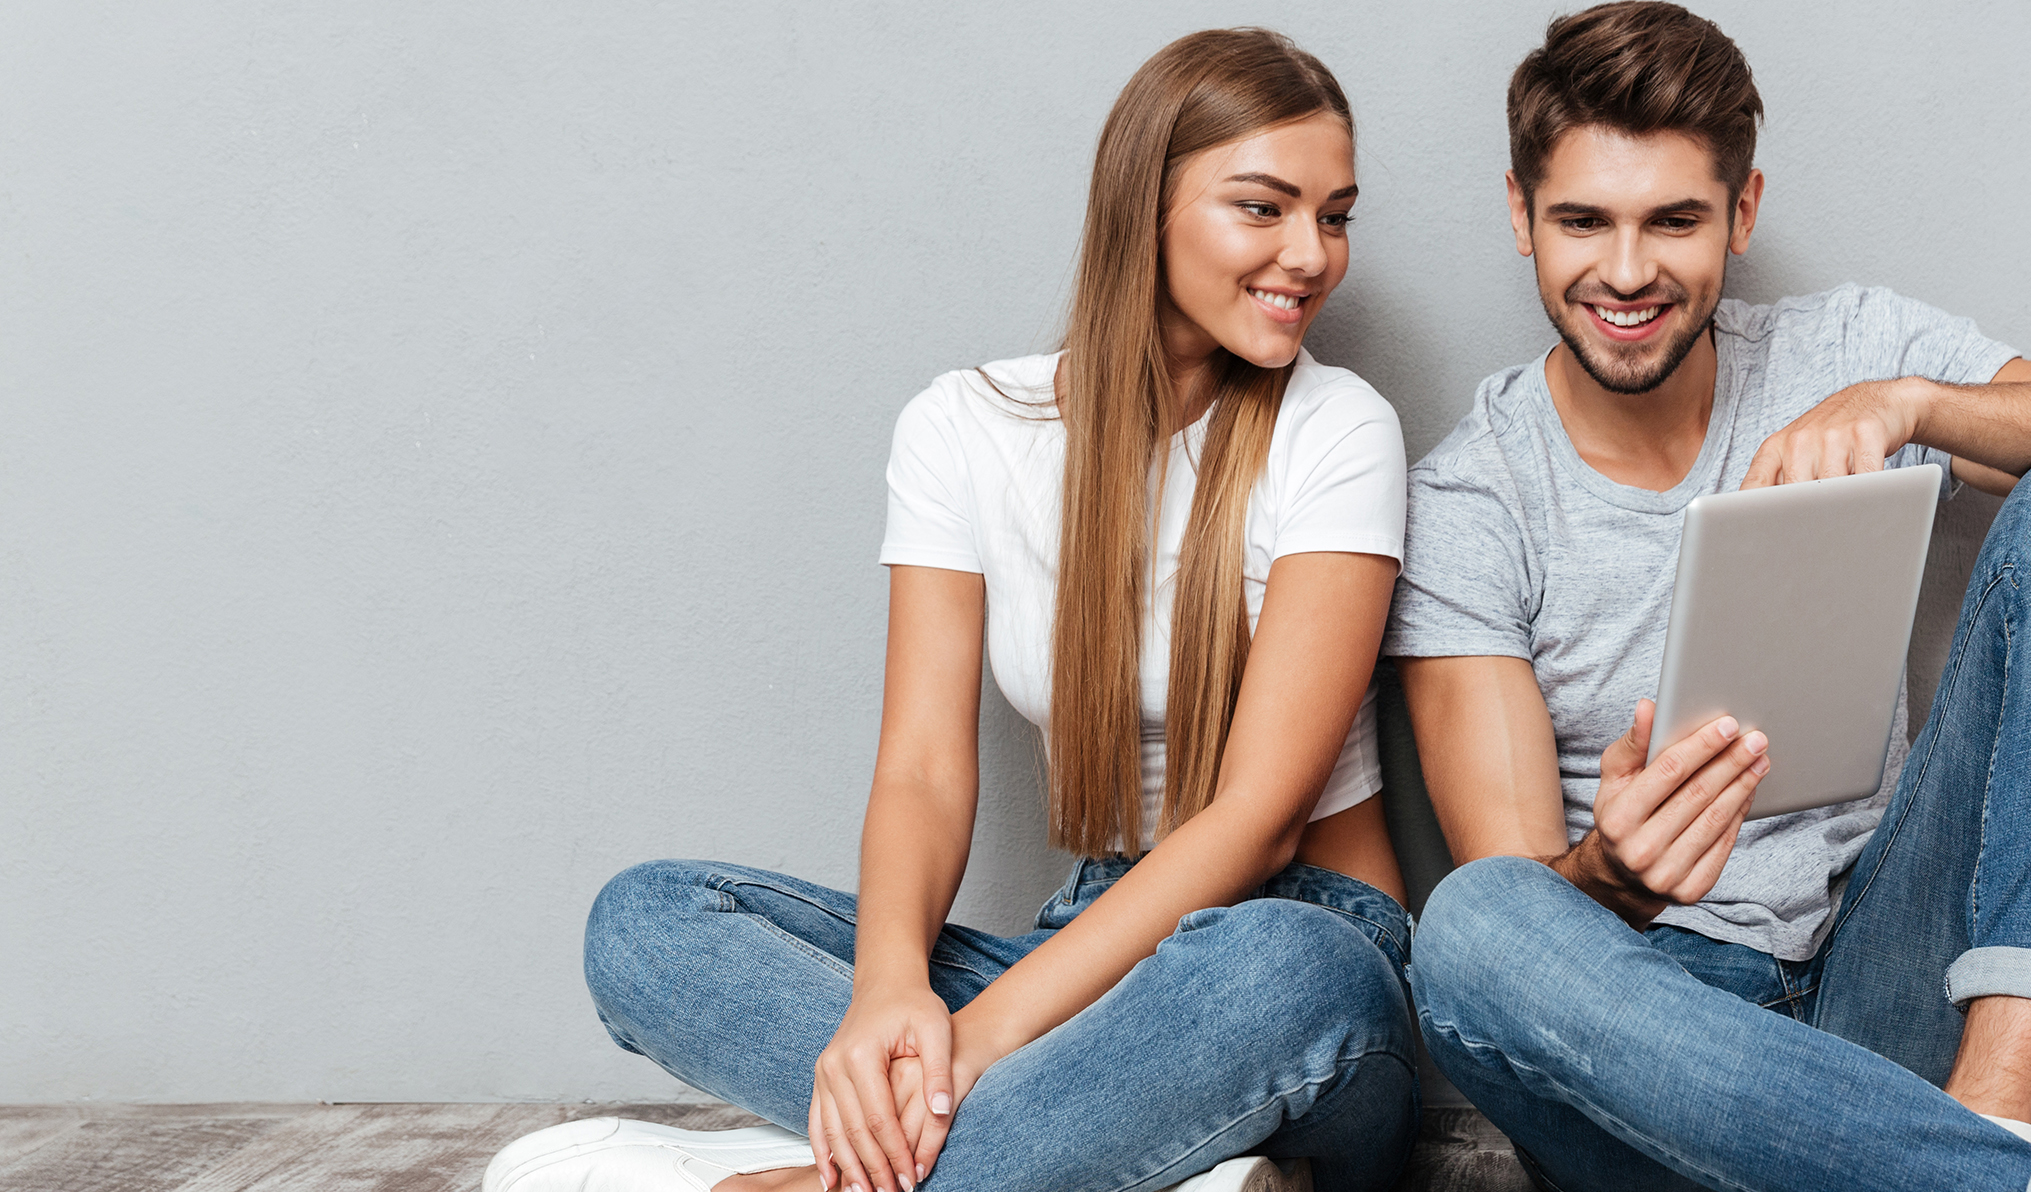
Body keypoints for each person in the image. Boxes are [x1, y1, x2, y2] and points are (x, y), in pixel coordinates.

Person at [483, 29, 1417, 1192]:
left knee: (1287, 968)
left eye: (1335, 216)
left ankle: (833, 1171)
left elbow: (1259, 822)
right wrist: (890, 999)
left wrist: (973, 1043)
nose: (1311, 255)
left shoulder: (1339, 431)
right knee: (646, 921)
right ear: (1144, 207)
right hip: (1080, 954)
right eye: (1263, 208)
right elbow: (923, 769)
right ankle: (1107, 1151)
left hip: (1295, 951)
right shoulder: (964, 428)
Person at [1389, 5, 2031, 1191]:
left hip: (1881, 984)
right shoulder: (1472, 496)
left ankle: (1981, 1134)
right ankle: (1979, 1178)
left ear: (1741, 213)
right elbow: (1520, 903)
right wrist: (1610, 877)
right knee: (1473, 923)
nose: (1626, 271)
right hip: (1658, 1046)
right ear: (1519, 215)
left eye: (1674, 220)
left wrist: (1914, 403)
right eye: (1582, 220)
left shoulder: (1845, 349)